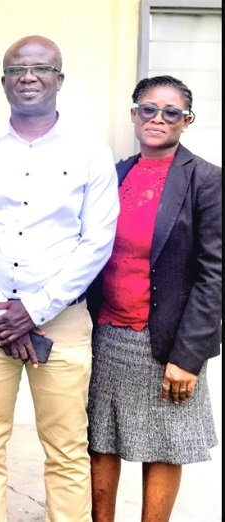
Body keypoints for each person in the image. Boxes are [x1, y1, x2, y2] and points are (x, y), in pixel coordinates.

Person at [0, 35, 120, 521]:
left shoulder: (91, 153)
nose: (28, 77)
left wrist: (36, 310)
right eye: (17, 69)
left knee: (67, 446)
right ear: (3, 81)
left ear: (59, 79)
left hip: (62, 321)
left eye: (41, 69)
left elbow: (96, 243)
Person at [87, 75, 221, 522]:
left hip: (167, 340)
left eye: (171, 112)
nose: (158, 118)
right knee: (101, 437)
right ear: (134, 114)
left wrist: (188, 356)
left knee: (163, 443)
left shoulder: (206, 180)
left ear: (187, 121)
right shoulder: (115, 173)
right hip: (108, 331)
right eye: (148, 109)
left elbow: (214, 274)